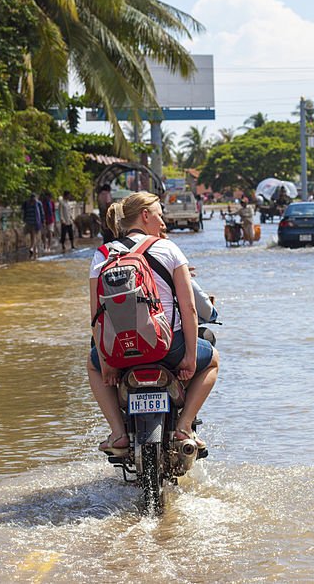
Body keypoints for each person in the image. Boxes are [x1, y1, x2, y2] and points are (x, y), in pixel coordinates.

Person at [89, 192, 219, 455]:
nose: (163, 221)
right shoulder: (168, 248)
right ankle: (184, 426)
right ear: (145, 216)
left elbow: (95, 316)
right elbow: (190, 308)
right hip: (168, 347)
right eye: (160, 214)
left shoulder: (102, 254)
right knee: (213, 360)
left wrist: (106, 364)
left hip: (119, 352)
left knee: (91, 366)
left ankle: (117, 433)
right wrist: (190, 358)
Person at [20, 192, 44, 257]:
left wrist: (42, 221)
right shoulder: (32, 203)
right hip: (32, 222)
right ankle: (33, 248)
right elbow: (41, 213)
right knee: (33, 236)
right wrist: (42, 221)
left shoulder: (35, 203)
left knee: (33, 236)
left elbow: (41, 213)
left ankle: (32, 248)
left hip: (32, 222)